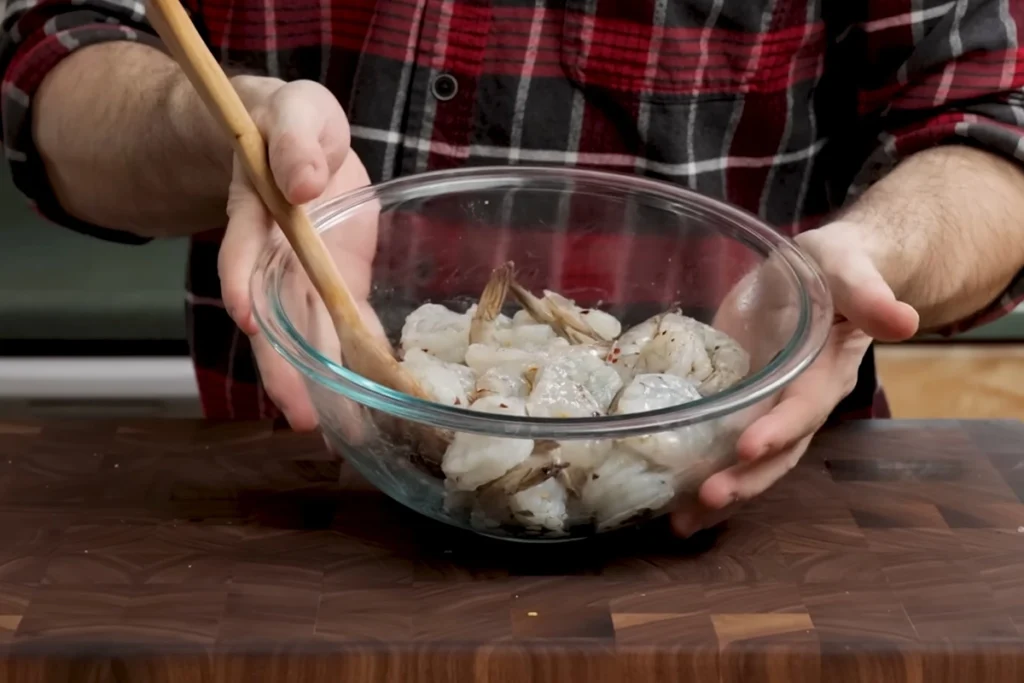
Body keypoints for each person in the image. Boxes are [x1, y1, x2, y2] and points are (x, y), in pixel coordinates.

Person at [2, 0, 1023, 537]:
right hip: (279, 533)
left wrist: (876, 252)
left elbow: (992, 132)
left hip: (753, 542)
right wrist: (218, 129)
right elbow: (48, 58)